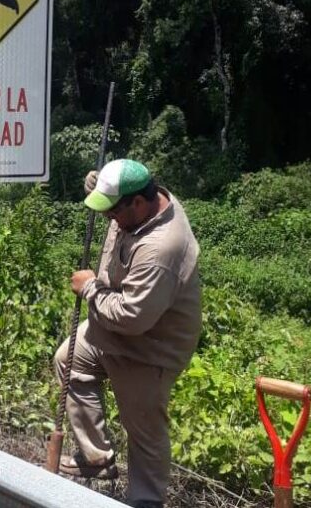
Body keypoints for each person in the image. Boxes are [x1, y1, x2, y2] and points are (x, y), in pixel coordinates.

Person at [54, 158, 201, 508]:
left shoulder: (162, 247)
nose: (109, 220)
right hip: (109, 326)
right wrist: (100, 186)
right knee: (70, 360)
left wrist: (90, 288)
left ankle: (145, 501)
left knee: (144, 433)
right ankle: (97, 458)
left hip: (149, 346)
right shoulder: (141, 200)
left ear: (137, 203)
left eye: (112, 212)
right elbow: (124, 179)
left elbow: (133, 317)